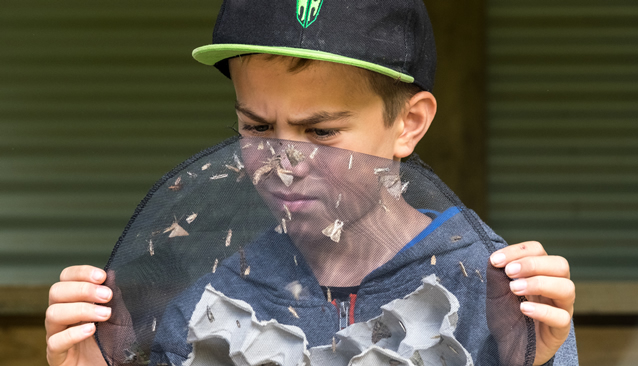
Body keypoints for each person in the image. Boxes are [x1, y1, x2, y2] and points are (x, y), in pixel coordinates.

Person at [45, 1, 577, 365]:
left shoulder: (501, 294)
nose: (281, 162)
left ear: (409, 124)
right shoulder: (199, 290)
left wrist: (538, 359)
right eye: (255, 127)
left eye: (320, 131)